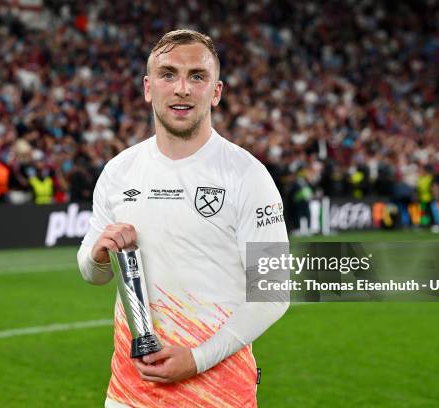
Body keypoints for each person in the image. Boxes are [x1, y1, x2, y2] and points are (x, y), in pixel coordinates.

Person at [77, 29, 289, 408]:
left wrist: (197, 359)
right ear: (148, 87)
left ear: (216, 91)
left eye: (197, 76)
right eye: (168, 74)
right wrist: (96, 254)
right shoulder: (119, 171)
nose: (182, 89)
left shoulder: (247, 175)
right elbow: (93, 274)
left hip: (219, 394)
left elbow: (273, 292)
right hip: (129, 395)